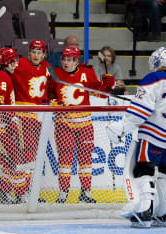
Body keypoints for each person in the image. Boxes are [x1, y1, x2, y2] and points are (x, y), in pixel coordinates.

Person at [106, 47, 166, 228]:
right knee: (164, 172)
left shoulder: (151, 80)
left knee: (143, 170)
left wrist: (122, 126)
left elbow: (140, 112)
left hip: (152, 135)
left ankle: (144, 212)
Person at [0, 40, 51, 203]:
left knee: (28, 158)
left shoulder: (47, 67)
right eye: (33, 51)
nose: (36, 55)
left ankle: (15, 191)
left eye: (39, 51)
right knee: (23, 157)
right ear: (28, 53)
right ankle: (22, 192)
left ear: (44, 54)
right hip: (22, 116)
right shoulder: (19, 64)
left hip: (38, 117)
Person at [47, 46, 115, 204]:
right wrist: (54, 102)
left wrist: (107, 85)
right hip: (64, 123)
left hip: (84, 124)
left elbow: (99, 92)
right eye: (64, 59)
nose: (66, 62)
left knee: (85, 160)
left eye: (70, 60)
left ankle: (85, 192)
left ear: (77, 61)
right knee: (65, 160)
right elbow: (48, 94)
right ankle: (63, 193)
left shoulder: (88, 73)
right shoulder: (55, 73)